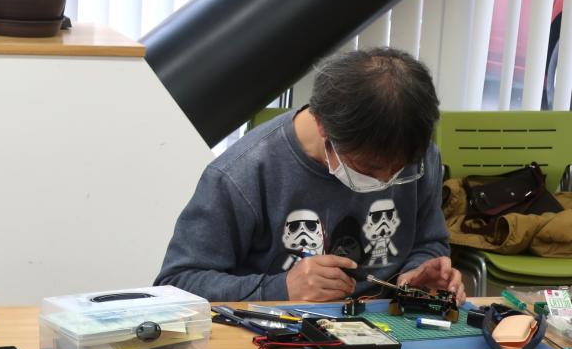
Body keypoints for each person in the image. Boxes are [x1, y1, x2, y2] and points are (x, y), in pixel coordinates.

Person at [155, 47, 465, 303]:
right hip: (277, 335)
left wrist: (419, 273)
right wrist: (281, 288)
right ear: (322, 125)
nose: (385, 181)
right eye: (368, 169)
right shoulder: (243, 173)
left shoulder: (416, 154)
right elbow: (177, 283)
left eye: (398, 171)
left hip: (390, 325)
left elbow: (429, 242)